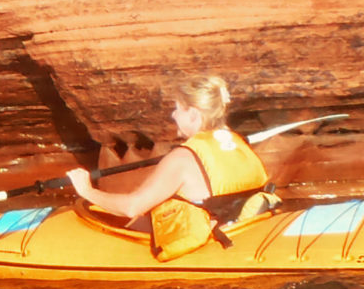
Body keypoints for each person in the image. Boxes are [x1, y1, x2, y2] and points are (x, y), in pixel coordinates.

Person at [64, 76, 273, 260]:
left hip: (211, 242)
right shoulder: (237, 145)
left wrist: (87, 191)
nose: (173, 115)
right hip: (241, 228)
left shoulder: (182, 159)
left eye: (177, 108)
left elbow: (131, 207)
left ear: (193, 114)